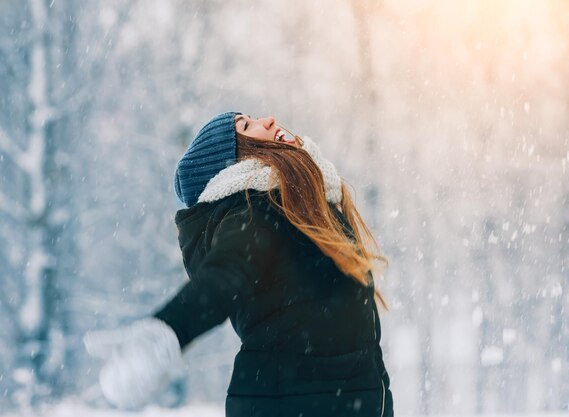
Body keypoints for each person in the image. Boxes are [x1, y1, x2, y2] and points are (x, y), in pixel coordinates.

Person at [83, 111, 394, 417]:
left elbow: (367, 345)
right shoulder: (257, 210)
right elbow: (225, 275)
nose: (268, 120)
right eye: (246, 126)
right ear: (235, 164)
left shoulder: (313, 209)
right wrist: (166, 332)